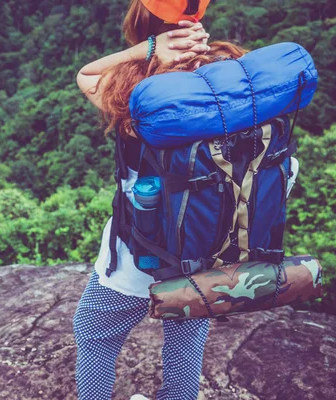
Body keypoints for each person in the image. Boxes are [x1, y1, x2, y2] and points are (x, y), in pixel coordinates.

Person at [72, 1, 248, 399]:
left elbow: (86, 74)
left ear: (143, 27)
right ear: (196, 20)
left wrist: (147, 51)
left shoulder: (128, 86)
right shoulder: (231, 71)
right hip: (213, 242)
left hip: (145, 249)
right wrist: (204, 52)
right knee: (186, 335)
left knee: (95, 329)